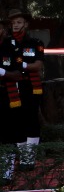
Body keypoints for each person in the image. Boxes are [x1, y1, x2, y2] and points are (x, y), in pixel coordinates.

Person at [6, 10, 44, 171]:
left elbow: (38, 65)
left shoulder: (35, 42)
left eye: (19, 22)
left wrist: (21, 66)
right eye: (14, 23)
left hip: (29, 87)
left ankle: (29, 159)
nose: (16, 25)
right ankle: (22, 158)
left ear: (26, 24)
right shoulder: (6, 43)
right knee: (16, 122)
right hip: (10, 88)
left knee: (31, 121)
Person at [0, 18, 20, 185]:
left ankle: (7, 173)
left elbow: (17, 75)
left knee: (7, 135)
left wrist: (1, 72)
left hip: (6, 96)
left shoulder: (11, 48)